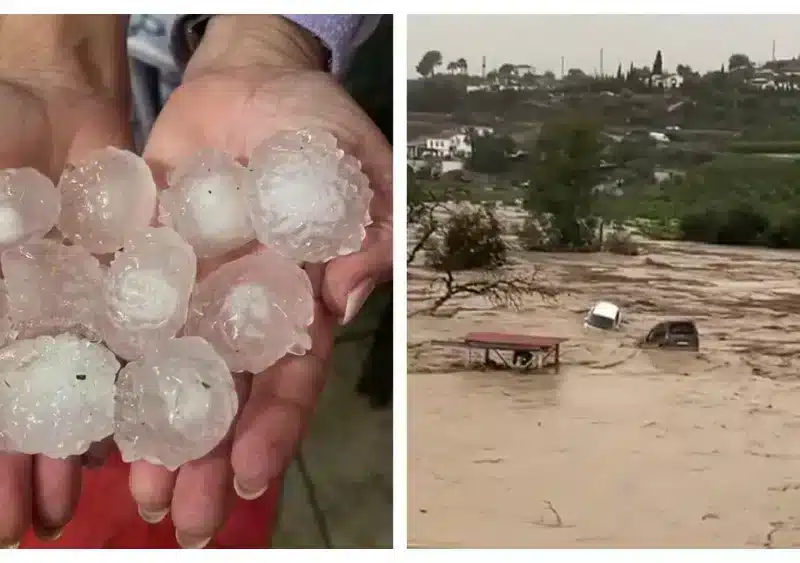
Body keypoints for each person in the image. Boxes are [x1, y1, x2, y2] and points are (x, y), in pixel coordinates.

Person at [0, 14, 393, 549]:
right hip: (124, 123)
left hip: (198, 100)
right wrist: (41, 49)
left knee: (233, 465)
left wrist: (272, 31)